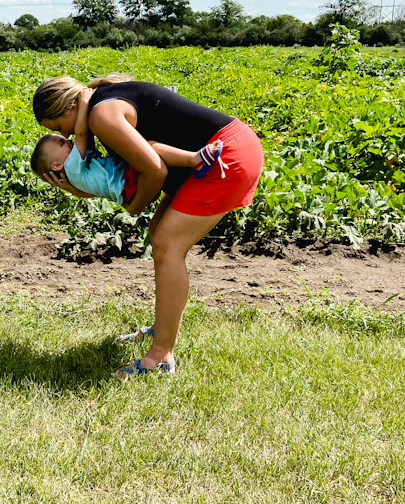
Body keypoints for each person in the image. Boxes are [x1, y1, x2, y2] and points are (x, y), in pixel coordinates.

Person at [32, 74, 263, 381]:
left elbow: (155, 170)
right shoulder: (103, 101)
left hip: (225, 154)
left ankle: (160, 356)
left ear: (66, 110)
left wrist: (133, 207)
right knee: (159, 237)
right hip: (224, 147)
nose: (68, 136)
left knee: (168, 246)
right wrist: (79, 189)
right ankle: (163, 327)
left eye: (60, 129)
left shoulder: (101, 115)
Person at [30, 88, 225, 207]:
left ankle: (192, 161)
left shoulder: (76, 171)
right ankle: (194, 159)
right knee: (150, 147)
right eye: (62, 142)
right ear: (56, 165)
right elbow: (82, 135)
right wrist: (84, 102)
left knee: (149, 149)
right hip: (128, 184)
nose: (68, 138)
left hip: (126, 188)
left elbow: (86, 138)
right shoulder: (72, 168)